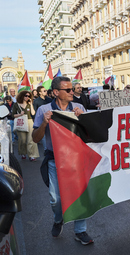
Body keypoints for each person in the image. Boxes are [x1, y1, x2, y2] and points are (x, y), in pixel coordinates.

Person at [32, 76, 94, 245]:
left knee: (79, 196)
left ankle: (80, 231)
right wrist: (44, 123)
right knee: (56, 198)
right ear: (56, 92)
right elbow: (35, 138)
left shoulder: (79, 107)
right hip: (54, 160)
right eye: (67, 90)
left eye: (72, 89)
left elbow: (90, 135)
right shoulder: (44, 110)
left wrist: (83, 120)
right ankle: (58, 219)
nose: (72, 92)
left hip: (76, 160)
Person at [12, 90, 39, 161]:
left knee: (31, 139)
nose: (27, 97)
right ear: (22, 96)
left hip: (29, 121)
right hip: (21, 122)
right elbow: (13, 115)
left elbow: (33, 113)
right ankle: (23, 153)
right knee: (22, 140)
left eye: (29, 96)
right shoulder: (16, 104)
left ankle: (32, 155)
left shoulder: (29, 104)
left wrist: (31, 105)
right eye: (26, 96)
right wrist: (20, 114)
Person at [33, 86, 52, 152]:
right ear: (40, 93)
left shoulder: (49, 100)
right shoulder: (36, 101)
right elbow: (35, 111)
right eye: (44, 91)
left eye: (46, 90)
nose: (46, 92)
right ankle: (45, 149)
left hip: (51, 121)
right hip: (41, 120)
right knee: (43, 136)